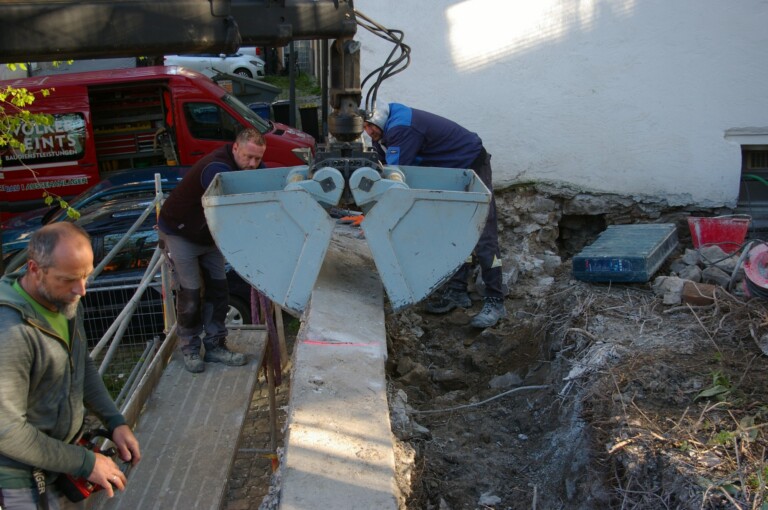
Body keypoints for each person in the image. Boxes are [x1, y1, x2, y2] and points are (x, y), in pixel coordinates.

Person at [0, 222, 141, 509]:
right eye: (68, 279)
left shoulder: (65, 301)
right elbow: (7, 431)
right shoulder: (10, 333)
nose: (82, 289)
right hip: (22, 481)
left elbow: (81, 365)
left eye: (86, 275)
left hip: (60, 461)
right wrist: (85, 462)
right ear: (35, 269)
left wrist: (114, 421)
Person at [363, 102, 506, 328]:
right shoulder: (381, 132)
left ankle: (495, 301)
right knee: (453, 230)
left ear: (380, 118)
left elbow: (395, 178)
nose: (368, 132)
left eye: (370, 125)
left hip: (471, 165)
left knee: (482, 233)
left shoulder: (402, 129)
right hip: (449, 170)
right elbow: (383, 168)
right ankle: (458, 291)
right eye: (364, 127)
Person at [158, 128, 267, 373]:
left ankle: (216, 345)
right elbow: (231, 204)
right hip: (181, 232)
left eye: (257, 159)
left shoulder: (251, 168)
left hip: (210, 234)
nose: (252, 164)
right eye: (248, 157)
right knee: (191, 291)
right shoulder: (216, 169)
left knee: (219, 288)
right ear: (235, 148)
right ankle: (190, 348)